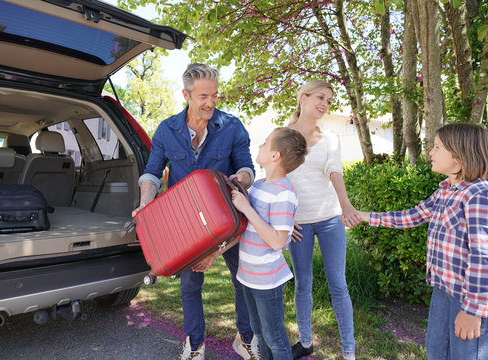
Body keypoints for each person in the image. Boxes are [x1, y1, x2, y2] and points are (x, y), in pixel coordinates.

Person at [132, 63, 259, 360]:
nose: (211, 102)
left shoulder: (232, 126)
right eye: (204, 96)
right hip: (186, 223)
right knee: (190, 284)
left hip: (226, 219)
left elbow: (246, 167)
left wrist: (242, 179)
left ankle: (246, 338)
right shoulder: (166, 129)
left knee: (244, 277)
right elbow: (152, 172)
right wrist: (145, 202)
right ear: (186, 95)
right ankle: (195, 344)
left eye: (215, 95)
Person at [358, 123, 488, 360]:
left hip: (468, 299)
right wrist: (365, 217)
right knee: (436, 352)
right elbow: (413, 215)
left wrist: (473, 311)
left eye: (437, 147)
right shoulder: (445, 191)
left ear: (458, 159)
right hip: (443, 290)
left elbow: (483, 257)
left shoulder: (478, 196)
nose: (430, 152)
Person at [198, 127, 308, 360]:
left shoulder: (284, 194)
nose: (260, 145)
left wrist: (246, 207)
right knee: (259, 333)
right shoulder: (258, 185)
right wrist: (215, 255)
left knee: (275, 338)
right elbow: (244, 230)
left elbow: (278, 241)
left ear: (275, 156)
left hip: (267, 281)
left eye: (266, 143)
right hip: (247, 275)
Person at [286, 80, 360, 360]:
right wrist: (283, 218)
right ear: (303, 98)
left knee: (338, 284)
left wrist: (345, 204)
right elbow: (275, 177)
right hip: (298, 224)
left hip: (329, 219)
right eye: (320, 97)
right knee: (302, 284)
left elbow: (334, 169)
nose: (325, 104)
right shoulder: (283, 135)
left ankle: (349, 351)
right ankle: (305, 342)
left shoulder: (329, 137)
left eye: (329, 100)